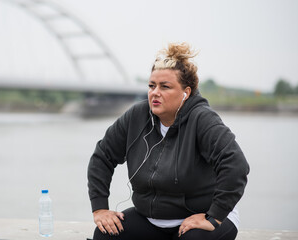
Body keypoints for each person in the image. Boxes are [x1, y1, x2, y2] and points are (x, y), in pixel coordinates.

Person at [87, 42, 250, 240]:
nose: (155, 92)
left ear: (186, 93)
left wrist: (214, 217)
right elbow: (102, 156)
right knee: (104, 235)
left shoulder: (202, 119)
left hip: (204, 219)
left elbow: (236, 166)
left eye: (165, 87)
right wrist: (100, 208)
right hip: (151, 220)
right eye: (151, 86)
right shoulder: (136, 116)